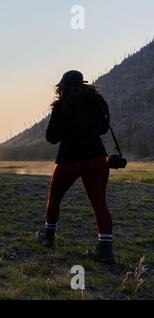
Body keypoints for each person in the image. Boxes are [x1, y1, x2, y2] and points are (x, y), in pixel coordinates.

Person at [37, 70, 116, 264]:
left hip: (68, 159)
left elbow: (51, 137)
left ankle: (48, 238)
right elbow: (104, 128)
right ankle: (105, 251)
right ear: (83, 83)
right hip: (96, 157)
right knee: (100, 204)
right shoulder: (97, 100)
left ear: (62, 85)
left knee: (54, 199)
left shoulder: (61, 106)